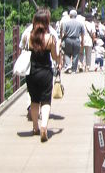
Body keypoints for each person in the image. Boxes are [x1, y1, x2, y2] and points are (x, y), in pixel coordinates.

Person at [26, 8, 59, 142]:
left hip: (32, 72)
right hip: (46, 72)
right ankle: (44, 126)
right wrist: (59, 58)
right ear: (46, 22)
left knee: (34, 100)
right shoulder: (50, 38)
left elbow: (24, 48)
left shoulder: (29, 37)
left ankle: (35, 127)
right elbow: (55, 57)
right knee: (45, 101)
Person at [60, 8, 85, 73]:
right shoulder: (80, 24)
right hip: (76, 39)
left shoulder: (66, 23)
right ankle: (74, 69)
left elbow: (63, 32)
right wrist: (82, 41)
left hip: (68, 39)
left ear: (70, 15)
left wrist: (64, 37)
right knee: (76, 54)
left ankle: (68, 65)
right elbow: (82, 33)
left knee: (67, 53)